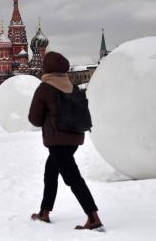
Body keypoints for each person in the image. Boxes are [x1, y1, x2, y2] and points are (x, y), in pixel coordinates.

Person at [28, 51, 103, 230]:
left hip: (56, 141)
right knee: (51, 172)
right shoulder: (72, 86)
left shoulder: (44, 88)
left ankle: (93, 217)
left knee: (73, 178)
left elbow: (35, 119)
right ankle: (44, 211)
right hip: (75, 138)